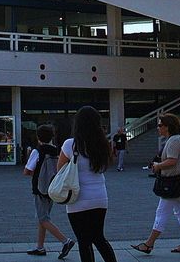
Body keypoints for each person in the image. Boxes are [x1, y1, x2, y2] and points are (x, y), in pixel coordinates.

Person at [56, 106, 117, 262]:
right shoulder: (104, 144)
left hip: (77, 198)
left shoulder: (70, 144)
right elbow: (105, 166)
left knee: (84, 241)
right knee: (99, 237)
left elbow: (60, 169)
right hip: (100, 197)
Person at [132, 113, 180, 254]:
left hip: (171, 184)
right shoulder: (175, 139)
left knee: (162, 212)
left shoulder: (174, 141)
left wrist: (158, 166)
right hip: (176, 184)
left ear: (167, 127)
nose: (158, 128)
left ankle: (149, 244)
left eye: (160, 125)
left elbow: (172, 160)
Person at [22, 123, 75, 258]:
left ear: (38, 137)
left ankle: (65, 241)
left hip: (40, 189)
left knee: (43, 218)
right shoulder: (56, 150)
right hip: (52, 188)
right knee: (43, 217)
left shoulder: (37, 151)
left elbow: (27, 171)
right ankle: (40, 247)